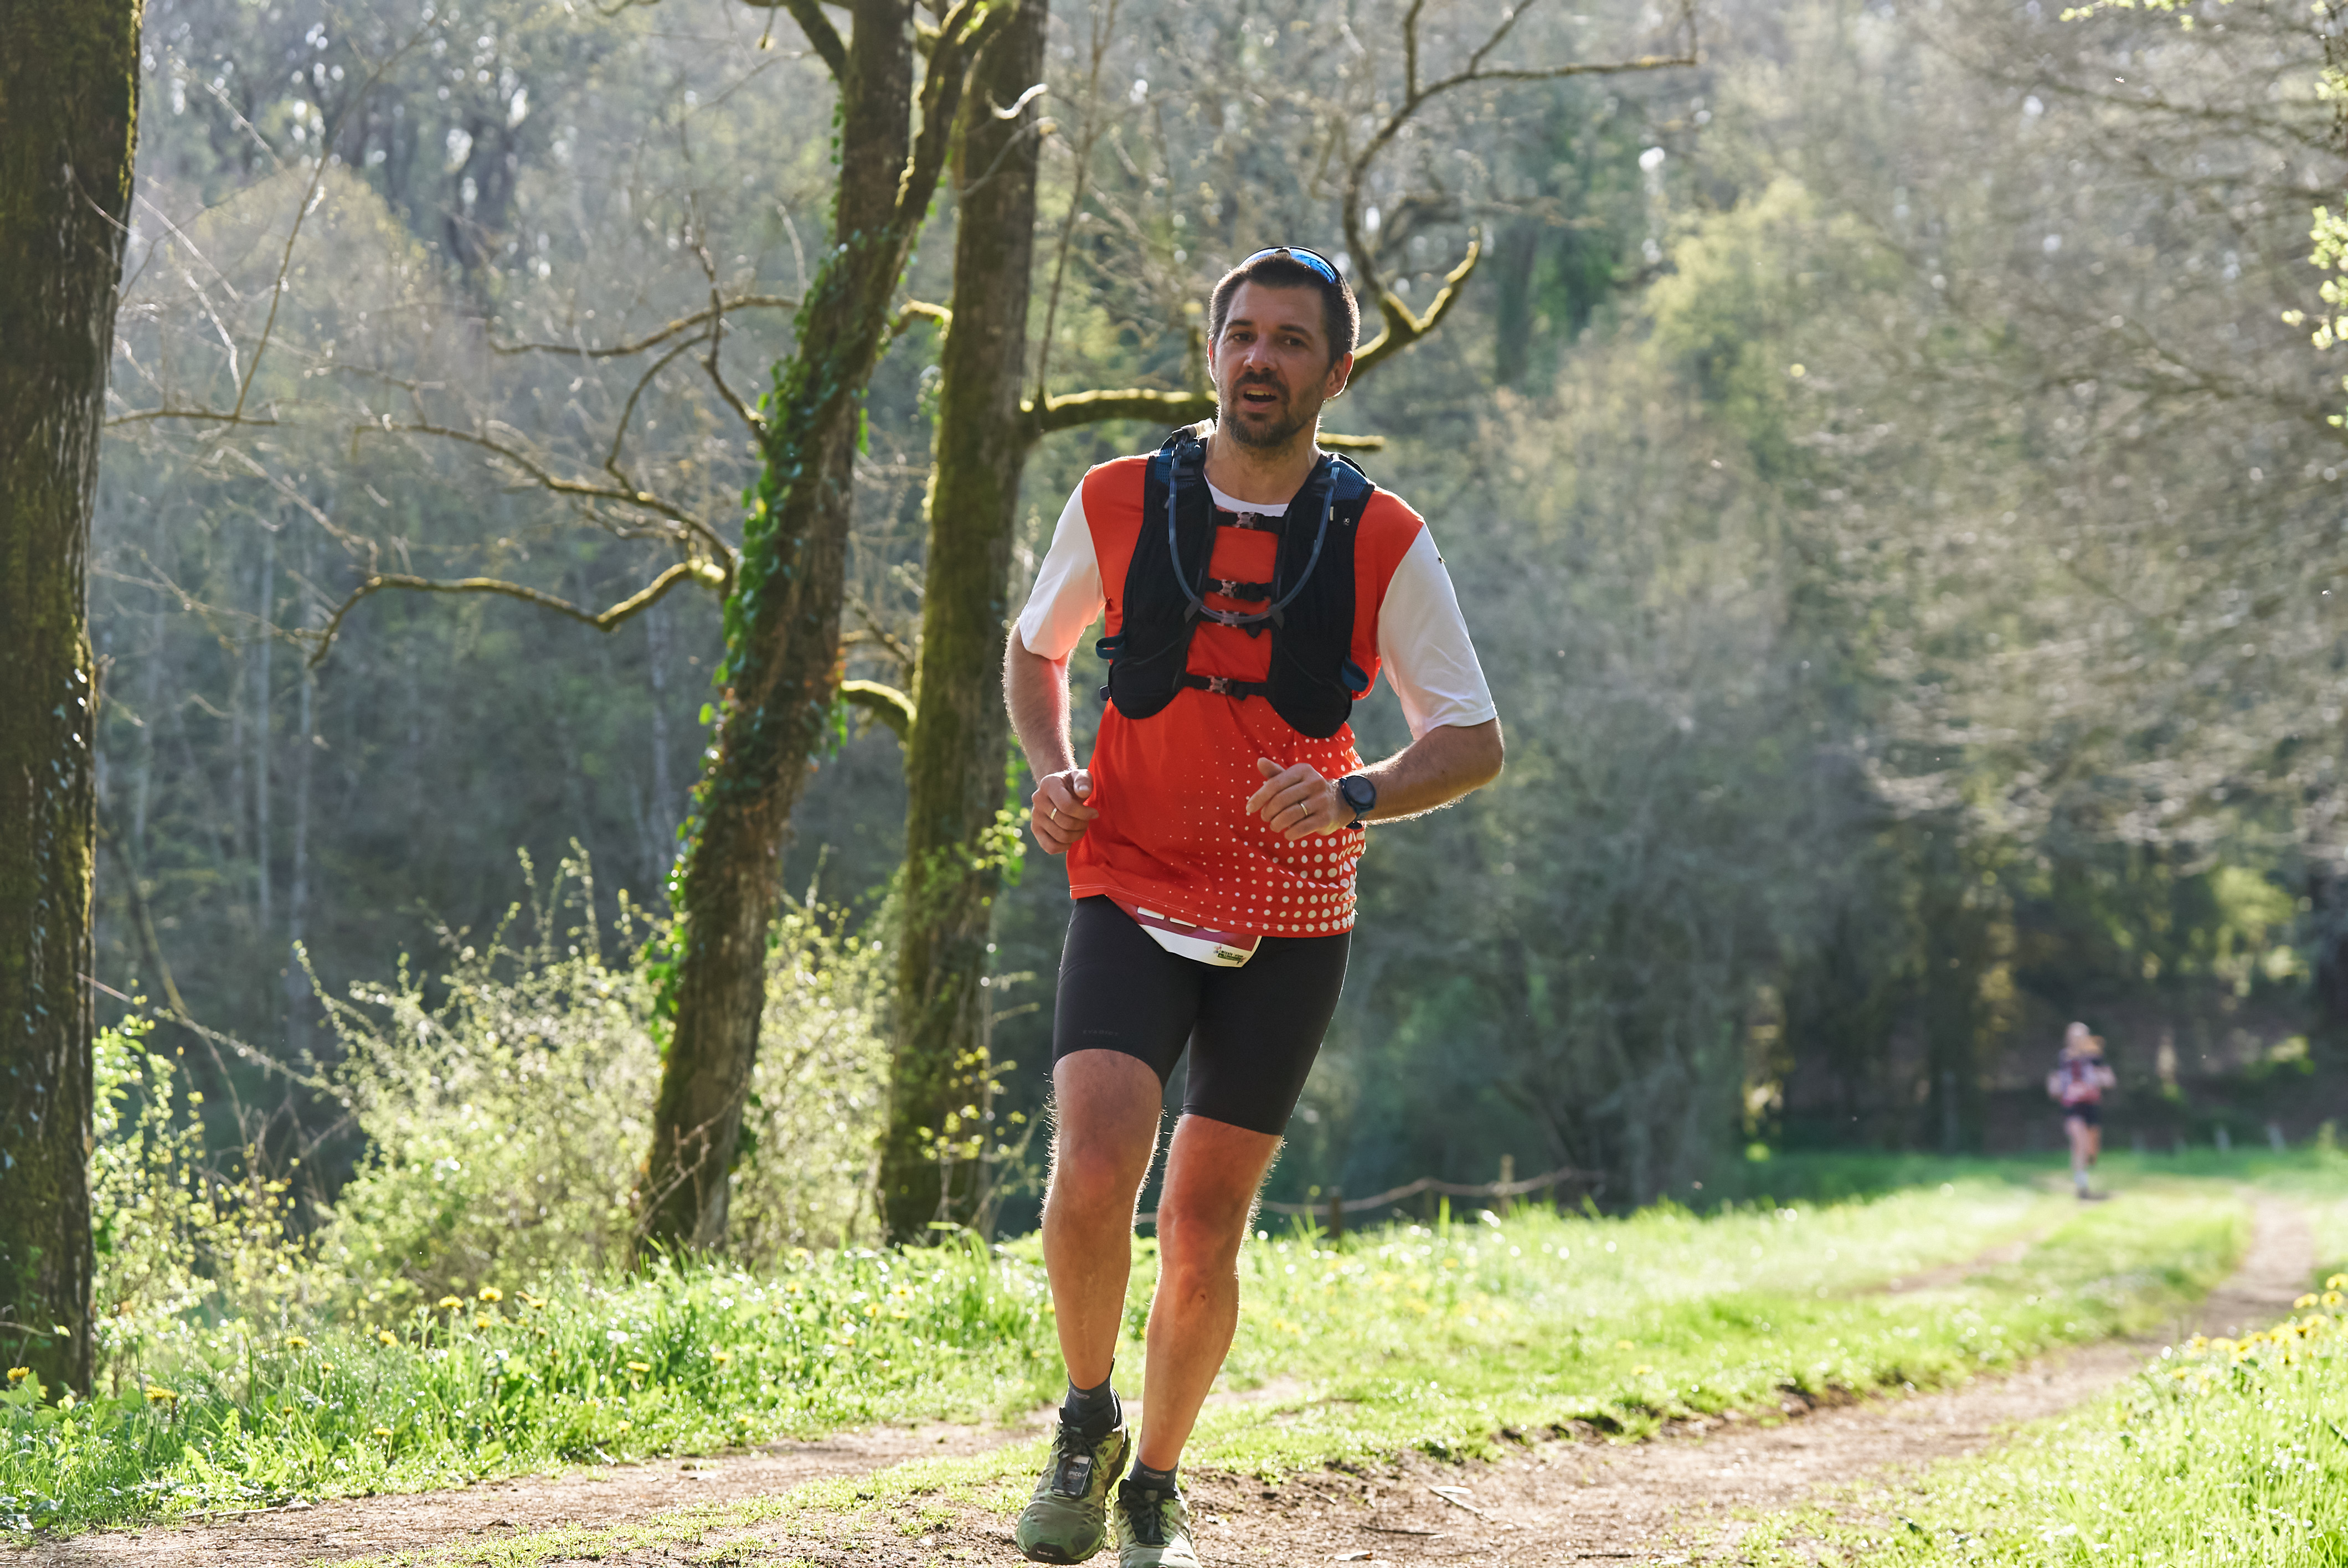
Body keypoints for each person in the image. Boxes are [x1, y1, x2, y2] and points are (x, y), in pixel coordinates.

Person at [1001, 245, 1505, 1567]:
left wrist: (1355, 794)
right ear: (1210, 350)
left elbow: (1470, 737)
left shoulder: (1383, 536)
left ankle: (1153, 1482)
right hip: (1126, 875)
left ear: (1335, 371)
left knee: (1202, 1221)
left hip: (1290, 914)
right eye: (1241, 334)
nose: (1259, 358)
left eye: (1290, 340)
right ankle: (1083, 1416)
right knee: (1095, 1164)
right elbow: (1031, 648)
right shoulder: (1114, 499)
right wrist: (1051, 770)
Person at [2046, 1023, 2116, 1200]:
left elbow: (2109, 1079)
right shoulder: (2062, 1058)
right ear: (2068, 1039)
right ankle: (2082, 1187)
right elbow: (2053, 1083)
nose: (2077, 1041)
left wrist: (2100, 1079)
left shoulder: (2095, 1057)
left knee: (2092, 1150)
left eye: (2081, 1037)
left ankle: (2086, 1166)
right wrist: (2057, 1087)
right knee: (2080, 1142)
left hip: (2091, 1105)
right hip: (2072, 1106)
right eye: (2074, 1037)